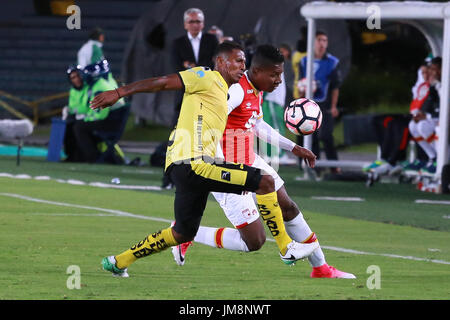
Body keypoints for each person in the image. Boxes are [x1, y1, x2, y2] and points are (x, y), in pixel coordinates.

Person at [91, 41, 319, 277]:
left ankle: (118, 261)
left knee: (182, 232)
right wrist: (119, 92)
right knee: (265, 182)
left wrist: (289, 148)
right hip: (193, 163)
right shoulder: (204, 76)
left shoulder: (224, 91)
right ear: (220, 62)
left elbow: (247, 124)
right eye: (238, 61)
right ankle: (286, 248)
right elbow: (161, 83)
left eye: (244, 61)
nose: (243, 66)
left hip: (186, 168)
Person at [171, 45, 355, 279]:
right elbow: (211, 120)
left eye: (280, 74)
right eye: (274, 75)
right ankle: (186, 233)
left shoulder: (255, 89)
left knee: (288, 206)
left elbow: (255, 124)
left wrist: (293, 147)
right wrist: (217, 162)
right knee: (253, 241)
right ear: (256, 71)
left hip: (250, 160)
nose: (279, 80)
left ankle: (321, 268)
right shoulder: (236, 90)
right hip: (227, 168)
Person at [299, 30, 341, 173]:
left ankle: (334, 167)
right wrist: (301, 96)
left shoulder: (332, 62)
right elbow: (301, 83)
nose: (322, 43)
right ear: (313, 42)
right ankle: (314, 168)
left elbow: (335, 86)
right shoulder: (304, 61)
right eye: (319, 40)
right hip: (309, 105)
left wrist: (334, 106)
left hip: (326, 104)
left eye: (325, 40)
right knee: (311, 135)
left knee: (326, 135)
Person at [72, 61, 128, 163]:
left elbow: (101, 114)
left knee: (79, 127)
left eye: (85, 76)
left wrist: (86, 118)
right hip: (114, 120)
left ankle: (92, 157)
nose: (84, 78)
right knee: (81, 125)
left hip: (111, 122)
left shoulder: (99, 87)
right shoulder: (102, 84)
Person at [406, 56, 442, 176]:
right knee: (413, 125)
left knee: (425, 126)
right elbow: (428, 103)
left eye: (434, 69)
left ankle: (442, 159)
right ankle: (433, 158)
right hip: (436, 117)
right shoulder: (433, 85)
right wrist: (421, 113)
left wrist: (428, 116)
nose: (431, 73)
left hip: (443, 118)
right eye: (430, 69)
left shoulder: (444, 83)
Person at [63, 65, 89, 162]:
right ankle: (71, 155)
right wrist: (69, 110)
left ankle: (80, 156)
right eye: (73, 77)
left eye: (77, 76)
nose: (76, 79)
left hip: (87, 117)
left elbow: (87, 106)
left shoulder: (88, 88)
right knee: (68, 127)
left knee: (76, 128)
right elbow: (71, 106)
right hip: (77, 117)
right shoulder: (73, 90)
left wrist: (74, 110)